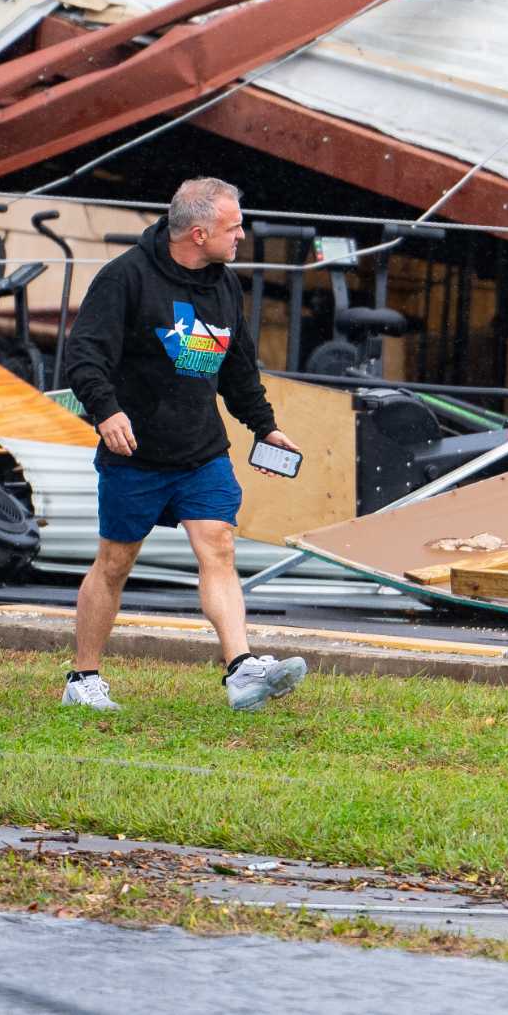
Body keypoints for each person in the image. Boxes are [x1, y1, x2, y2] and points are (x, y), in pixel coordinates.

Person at [58, 176, 307, 712]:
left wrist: (264, 426)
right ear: (198, 233)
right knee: (115, 564)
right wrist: (106, 410)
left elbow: (238, 368)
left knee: (218, 544)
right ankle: (83, 678)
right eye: (232, 226)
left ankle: (241, 669)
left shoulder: (224, 285)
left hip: (201, 453)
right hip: (136, 454)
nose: (242, 234)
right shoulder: (125, 278)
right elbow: (84, 355)